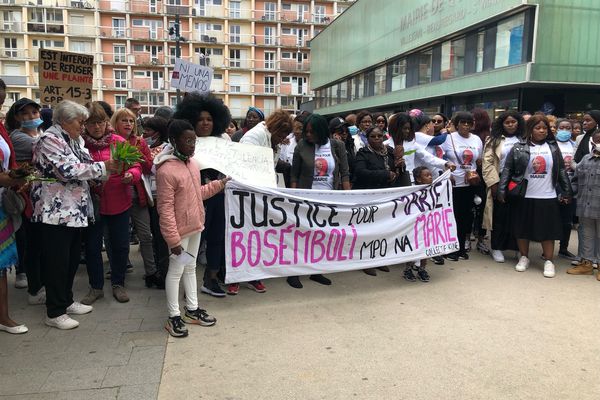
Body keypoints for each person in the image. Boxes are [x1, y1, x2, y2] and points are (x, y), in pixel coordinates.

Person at [31, 100, 121, 329]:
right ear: (64, 120)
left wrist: (107, 169)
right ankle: (55, 311)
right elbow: (67, 170)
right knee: (56, 262)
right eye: (80, 122)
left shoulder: (73, 139)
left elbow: (87, 164)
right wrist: (104, 167)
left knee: (70, 259)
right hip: (55, 211)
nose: (83, 127)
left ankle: (66, 300)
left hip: (74, 211)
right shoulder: (48, 140)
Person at [156, 119, 227, 338]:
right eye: (187, 141)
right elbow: (165, 209)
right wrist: (173, 240)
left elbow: (199, 194)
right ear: (173, 141)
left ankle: (192, 310)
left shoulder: (193, 164)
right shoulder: (166, 171)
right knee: (176, 272)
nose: (192, 145)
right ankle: (173, 316)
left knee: (190, 268)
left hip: (196, 225)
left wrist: (219, 184)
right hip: (180, 232)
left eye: (194, 141)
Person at [173, 93, 241, 297]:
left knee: (216, 238)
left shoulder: (224, 139)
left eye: (209, 119)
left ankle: (211, 279)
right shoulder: (184, 141)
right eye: (201, 119)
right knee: (192, 239)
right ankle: (186, 282)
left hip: (219, 196)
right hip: (193, 200)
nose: (205, 123)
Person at [81, 103, 142, 305]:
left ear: (106, 123)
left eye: (100, 122)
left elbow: (136, 166)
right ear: (84, 124)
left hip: (119, 201)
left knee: (120, 246)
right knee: (92, 248)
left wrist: (130, 175)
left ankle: (118, 283)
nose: (96, 127)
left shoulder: (118, 141)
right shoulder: (80, 144)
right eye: (91, 123)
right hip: (92, 204)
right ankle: (96, 287)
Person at [498, 115, 572, 278]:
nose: (542, 131)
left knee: (547, 231)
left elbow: (560, 171)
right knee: (522, 229)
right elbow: (508, 170)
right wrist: (502, 190)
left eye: (544, 128)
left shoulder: (553, 148)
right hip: (524, 195)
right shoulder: (518, 147)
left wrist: (567, 191)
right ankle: (524, 257)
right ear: (530, 129)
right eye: (538, 127)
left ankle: (549, 261)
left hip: (547, 196)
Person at [289, 113, 350, 288]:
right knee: (301, 235)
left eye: (311, 132)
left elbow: (344, 173)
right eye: (306, 131)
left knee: (322, 236)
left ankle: (317, 270)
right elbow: (294, 174)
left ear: (321, 131)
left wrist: (348, 197)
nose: (307, 135)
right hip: (305, 198)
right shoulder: (302, 145)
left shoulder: (337, 146)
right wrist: (293, 198)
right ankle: (294, 272)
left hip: (329, 198)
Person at [353, 126, 409, 276]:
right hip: (369, 197)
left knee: (382, 230)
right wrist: (384, 174)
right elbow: (360, 172)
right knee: (367, 231)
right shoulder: (363, 153)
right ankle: (365, 261)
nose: (377, 139)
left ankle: (379, 259)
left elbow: (399, 172)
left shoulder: (390, 152)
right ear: (368, 138)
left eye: (379, 136)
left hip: (386, 198)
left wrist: (400, 165)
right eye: (373, 136)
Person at [111, 108, 157, 287]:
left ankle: (151, 273)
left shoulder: (140, 142)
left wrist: (136, 156)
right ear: (116, 122)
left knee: (145, 236)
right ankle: (118, 275)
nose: (129, 124)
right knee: (118, 241)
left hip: (138, 196)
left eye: (131, 121)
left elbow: (149, 167)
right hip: (116, 196)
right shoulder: (110, 142)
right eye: (124, 120)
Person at [5, 98, 43, 291]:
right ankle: (24, 273)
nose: (31, 116)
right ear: (18, 117)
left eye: (34, 112)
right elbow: (44, 151)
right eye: (26, 113)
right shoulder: (19, 137)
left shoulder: (40, 133)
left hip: (38, 194)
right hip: (24, 194)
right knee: (26, 235)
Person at [0, 78, 28, 334]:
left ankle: (3, 316)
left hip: (2, 201)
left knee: (0, 264)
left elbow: (10, 163)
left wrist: (16, 177)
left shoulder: (1, 129)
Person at [441, 111, 484, 261]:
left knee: (465, 217)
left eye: (468, 123)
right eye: (462, 122)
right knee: (452, 216)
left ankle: (459, 248)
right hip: (453, 183)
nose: (466, 125)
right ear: (456, 124)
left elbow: (478, 160)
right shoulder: (448, 138)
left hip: (470, 183)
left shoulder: (477, 139)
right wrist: (447, 171)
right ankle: (449, 249)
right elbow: (440, 156)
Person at [482, 110, 524, 263]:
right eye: (507, 122)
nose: (511, 125)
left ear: (519, 122)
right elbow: (488, 163)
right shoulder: (494, 140)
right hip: (500, 181)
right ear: (502, 124)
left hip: (520, 182)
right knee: (499, 216)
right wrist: (493, 184)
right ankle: (497, 247)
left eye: (513, 122)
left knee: (518, 216)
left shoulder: (525, 138)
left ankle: (519, 248)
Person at [566, 129, 600, 279]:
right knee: (587, 235)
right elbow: (575, 179)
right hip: (585, 206)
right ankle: (586, 264)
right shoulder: (586, 159)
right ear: (592, 142)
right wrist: (568, 194)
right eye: (597, 140)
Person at [386, 113, 454, 184]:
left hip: (411, 182)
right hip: (392, 183)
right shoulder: (385, 145)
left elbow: (428, 157)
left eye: (409, 128)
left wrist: (445, 164)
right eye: (405, 128)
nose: (407, 131)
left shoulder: (412, 143)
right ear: (396, 128)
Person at [142, 116, 170, 288]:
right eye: (144, 129)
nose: (145, 133)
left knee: (161, 238)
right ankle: (154, 271)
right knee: (151, 236)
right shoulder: (144, 146)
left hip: (161, 197)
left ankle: (164, 273)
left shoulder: (166, 148)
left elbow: (156, 168)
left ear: (158, 132)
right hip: (147, 198)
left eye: (149, 130)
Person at [403, 166, 435, 283]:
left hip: (428, 224)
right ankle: (408, 269)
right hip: (415, 225)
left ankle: (422, 269)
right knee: (413, 247)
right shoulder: (413, 192)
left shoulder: (434, 190)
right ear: (419, 179)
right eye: (427, 175)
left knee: (426, 247)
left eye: (431, 175)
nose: (430, 177)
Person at [555, 119, 577, 260]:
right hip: (554, 187)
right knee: (552, 218)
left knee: (567, 221)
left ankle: (563, 248)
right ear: (556, 129)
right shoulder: (551, 145)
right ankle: (547, 249)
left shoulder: (575, 146)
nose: (565, 130)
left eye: (568, 128)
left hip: (571, 187)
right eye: (562, 127)